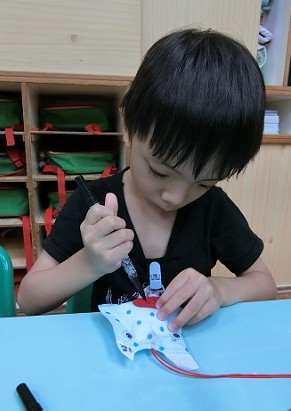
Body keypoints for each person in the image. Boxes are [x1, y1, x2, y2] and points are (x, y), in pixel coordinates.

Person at [18, 28, 276, 331]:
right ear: (128, 126)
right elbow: (29, 299)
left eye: (205, 183)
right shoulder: (95, 206)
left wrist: (219, 289)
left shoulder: (214, 209)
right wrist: (88, 263)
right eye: (160, 172)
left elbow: (265, 286)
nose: (175, 197)